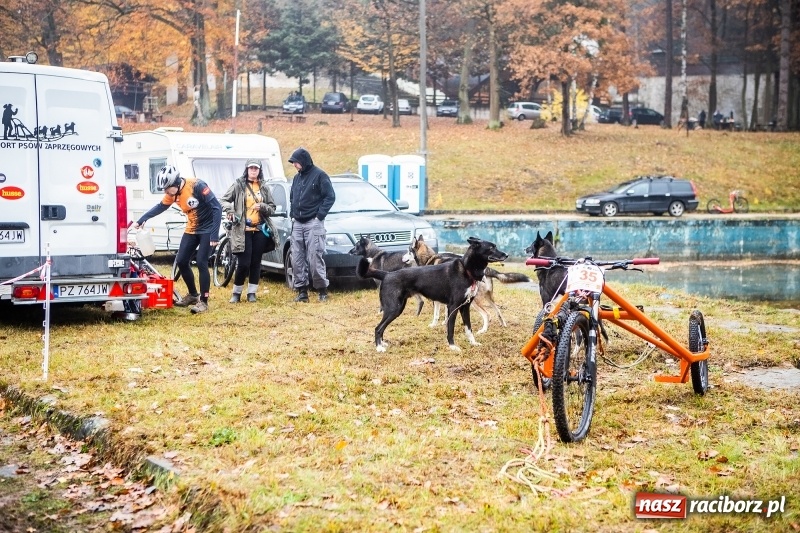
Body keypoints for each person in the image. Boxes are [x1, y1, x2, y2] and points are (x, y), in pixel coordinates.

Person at [134, 165, 221, 314]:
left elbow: (217, 208)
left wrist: (214, 234)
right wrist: (141, 220)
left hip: (208, 229)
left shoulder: (197, 186)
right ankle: (193, 295)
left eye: (168, 189)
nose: (166, 192)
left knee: (201, 262)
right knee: (181, 261)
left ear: (176, 183)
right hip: (192, 229)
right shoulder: (172, 193)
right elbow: (160, 207)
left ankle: (204, 301)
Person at [220, 159, 278, 303]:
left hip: (259, 230)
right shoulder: (238, 185)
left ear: (259, 170)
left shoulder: (264, 187)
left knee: (256, 263)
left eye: (256, 169)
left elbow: (272, 208)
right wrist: (231, 210)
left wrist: (263, 206)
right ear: (246, 169)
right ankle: (236, 293)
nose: (253, 171)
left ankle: (252, 293)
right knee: (244, 263)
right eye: (251, 168)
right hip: (242, 229)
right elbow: (224, 200)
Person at [288, 147, 335, 302]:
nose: (294, 165)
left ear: (304, 161)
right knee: (297, 258)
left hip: (313, 223)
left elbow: (330, 197)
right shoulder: (296, 178)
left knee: (315, 257)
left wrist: (319, 216)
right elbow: (292, 198)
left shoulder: (320, 175)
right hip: (298, 223)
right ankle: (302, 292)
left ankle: (322, 291)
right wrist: (292, 216)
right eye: (293, 162)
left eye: (296, 162)